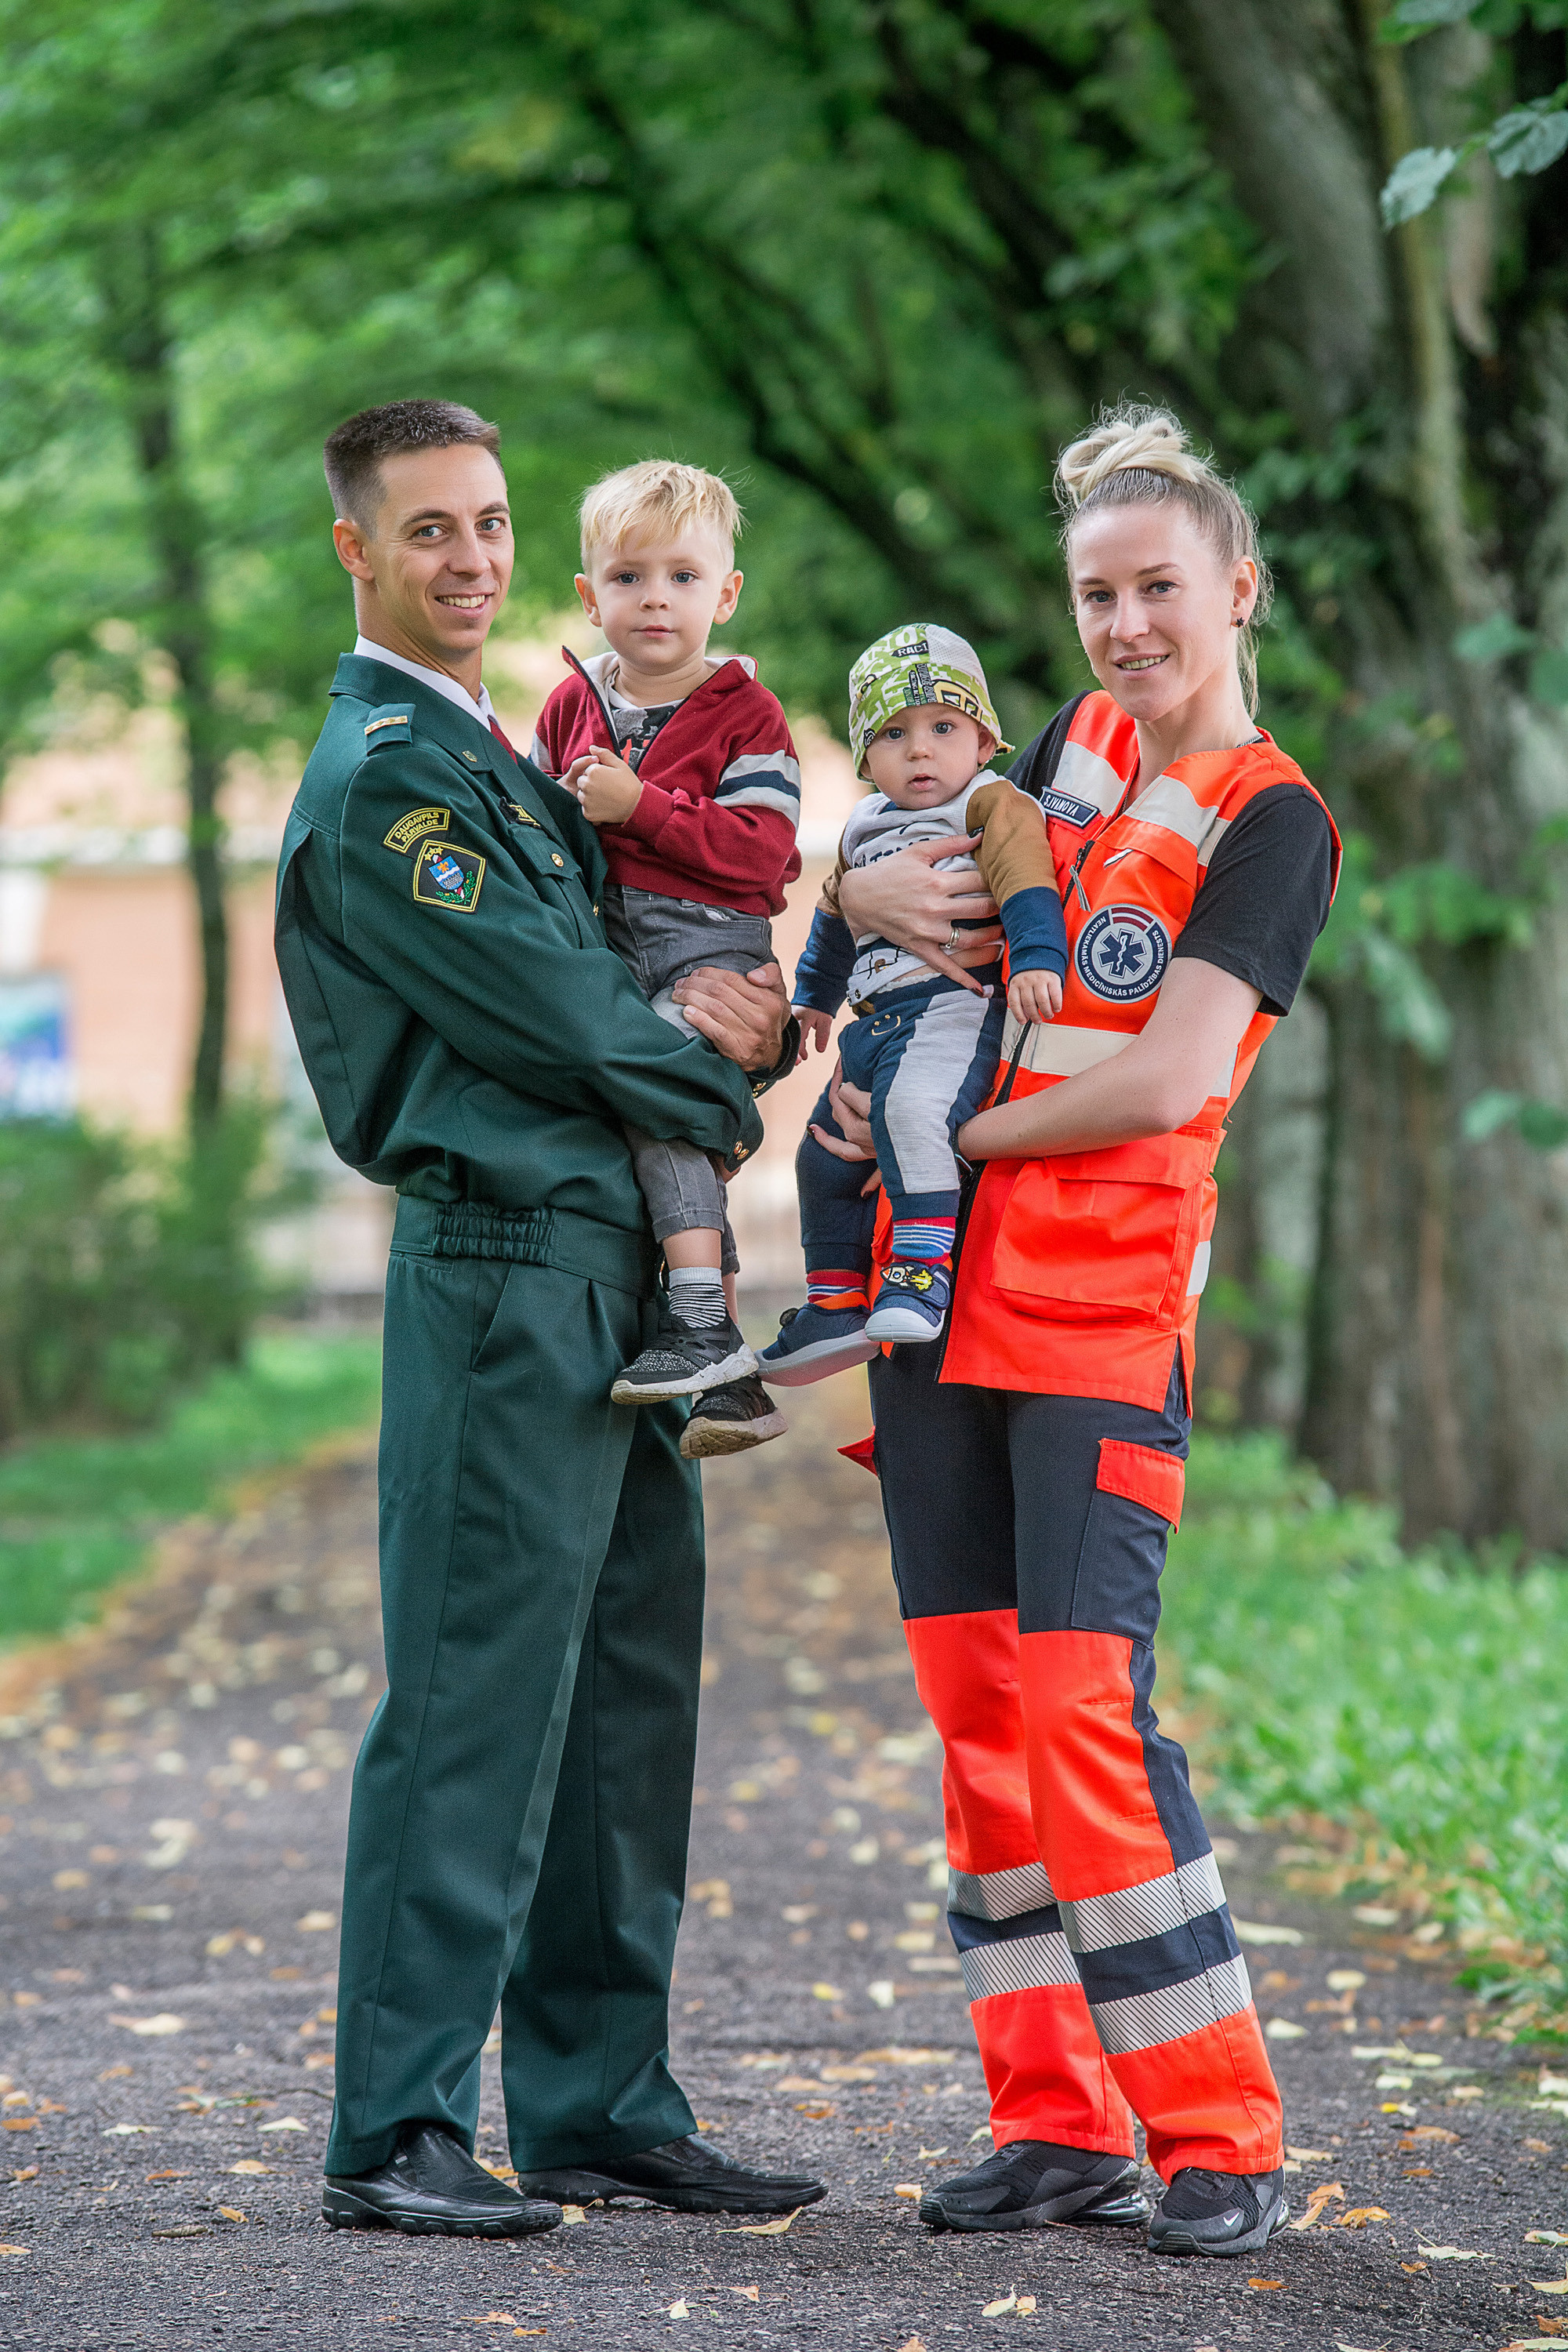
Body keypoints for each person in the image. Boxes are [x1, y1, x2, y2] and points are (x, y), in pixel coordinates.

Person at [274, 399, 825, 2238]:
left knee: (617, 1703)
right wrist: (720, 1087)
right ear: (354, 546)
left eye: (493, 524)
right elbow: (556, 1008)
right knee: (472, 1694)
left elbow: (658, 936)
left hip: (608, 1273)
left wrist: (767, 1006)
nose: (474, 558)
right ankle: (396, 2124)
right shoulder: (386, 775)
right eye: (430, 529)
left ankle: (596, 2105)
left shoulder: (513, 749)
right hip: (506, 1260)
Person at [823, 406, 1341, 2257]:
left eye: (1156, 590)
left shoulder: (1272, 818)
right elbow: (926, 858)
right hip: (935, 1318)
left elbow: (1171, 1070)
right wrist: (847, 889)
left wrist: (964, 1129)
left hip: (1098, 1329)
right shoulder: (1068, 747)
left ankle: (1214, 2135)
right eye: (1093, 594)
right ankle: (1050, 2123)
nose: (1122, 625)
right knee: (975, 1725)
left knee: (1077, 1716)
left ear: (1235, 589)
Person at [529, 460, 801, 1456]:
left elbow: (764, 853)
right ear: (588, 594)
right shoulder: (567, 708)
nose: (655, 598)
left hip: (704, 946)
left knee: (658, 1088)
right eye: (628, 576)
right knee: (645, 1109)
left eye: (683, 578)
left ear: (724, 595)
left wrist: (639, 808)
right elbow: (534, 838)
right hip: (607, 942)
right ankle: (725, 1374)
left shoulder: (746, 718)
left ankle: (696, 1322)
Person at [759, 624, 1066, 1381]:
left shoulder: (991, 804)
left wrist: (1035, 958)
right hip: (873, 1022)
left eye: (942, 727)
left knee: (912, 1116)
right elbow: (833, 920)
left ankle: (921, 1274)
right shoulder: (865, 825)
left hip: (951, 1008)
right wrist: (814, 1000)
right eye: (893, 734)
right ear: (865, 756)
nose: (920, 750)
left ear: (985, 737)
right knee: (820, 1153)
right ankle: (833, 1305)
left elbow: (1027, 877)